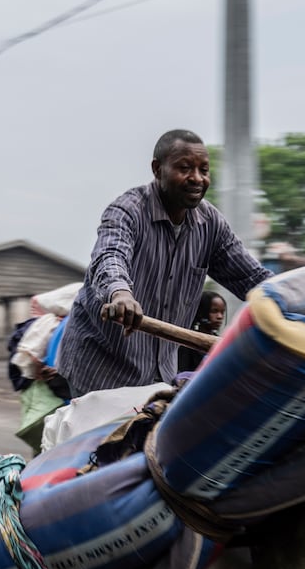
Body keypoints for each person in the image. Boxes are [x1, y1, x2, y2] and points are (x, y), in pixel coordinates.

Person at [55, 129, 271, 397]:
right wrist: (120, 293)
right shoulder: (127, 211)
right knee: (109, 439)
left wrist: (295, 300)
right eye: (184, 168)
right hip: (102, 368)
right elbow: (109, 256)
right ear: (158, 169)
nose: (197, 178)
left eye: (204, 170)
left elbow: (253, 279)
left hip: (161, 371)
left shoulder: (211, 225)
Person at [176, 291, 226, 374]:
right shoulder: (188, 342)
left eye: (222, 312)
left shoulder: (220, 341)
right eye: (214, 311)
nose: (219, 316)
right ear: (202, 311)